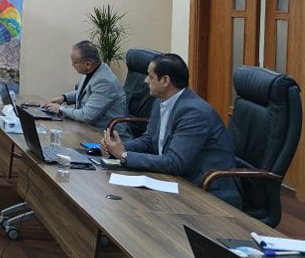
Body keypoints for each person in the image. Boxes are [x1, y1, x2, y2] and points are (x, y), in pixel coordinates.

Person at [102, 53, 240, 207]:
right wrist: (117, 147)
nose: (145, 80)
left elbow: (176, 162)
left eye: (150, 76)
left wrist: (124, 155)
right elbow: (149, 140)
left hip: (209, 190)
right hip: (176, 180)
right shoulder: (161, 100)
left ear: (165, 81)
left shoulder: (194, 112)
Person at [42, 40, 128, 134]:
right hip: (88, 128)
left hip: (106, 136)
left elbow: (86, 115)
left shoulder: (105, 81)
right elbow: (85, 93)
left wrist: (60, 109)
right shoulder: (92, 70)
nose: (72, 65)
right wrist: (64, 97)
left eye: (75, 63)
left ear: (88, 64)